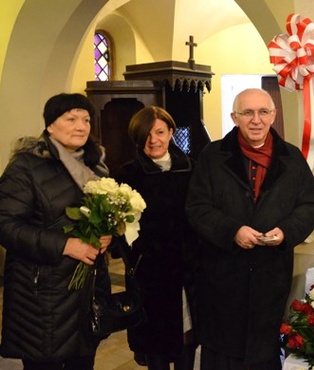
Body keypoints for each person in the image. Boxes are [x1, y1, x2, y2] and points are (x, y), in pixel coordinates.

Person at [185, 88, 314, 370]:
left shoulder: (292, 158)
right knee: (221, 354)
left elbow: (311, 205)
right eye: (247, 112)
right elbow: (197, 208)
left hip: (269, 274)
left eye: (263, 112)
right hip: (222, 275)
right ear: (234, 117)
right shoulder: (213, 156)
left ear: (273, 116)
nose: (256, 120)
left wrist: (285, 231)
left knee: (263, 353)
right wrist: (233, 230)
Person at [0, 93, 112, 370]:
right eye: (71, 119)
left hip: (86, 292)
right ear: (50, 125)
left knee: (82, 362)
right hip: (40, 297)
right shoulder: (26, 166)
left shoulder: (95, 166)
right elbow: (5, 224)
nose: (81, 126)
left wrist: (110, 235)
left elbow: (104, 218)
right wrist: (64, 245)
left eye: (86, 119)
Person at [114, 106, 199, 370]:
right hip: (150, 273)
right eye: (146, 135)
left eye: (160, 132)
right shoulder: (128, 174)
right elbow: (120, 228)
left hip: (186, 271)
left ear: (171, 132)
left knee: (187, 339)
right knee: (155, 347)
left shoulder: (189, 168)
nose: (154, 140)